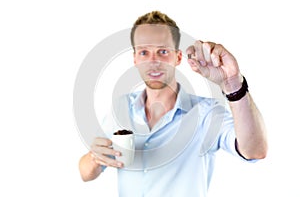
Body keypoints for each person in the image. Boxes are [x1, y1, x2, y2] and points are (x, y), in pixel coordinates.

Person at [79, 11, 268, 196]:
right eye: (144, 52)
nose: (153, 62)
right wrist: (94, 158)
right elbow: (85, 173)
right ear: (135, 59)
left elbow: (255, 150)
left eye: (162, 51)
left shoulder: (207, 113)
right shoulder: (121, 107)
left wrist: (233, 83)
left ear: (177, 57)